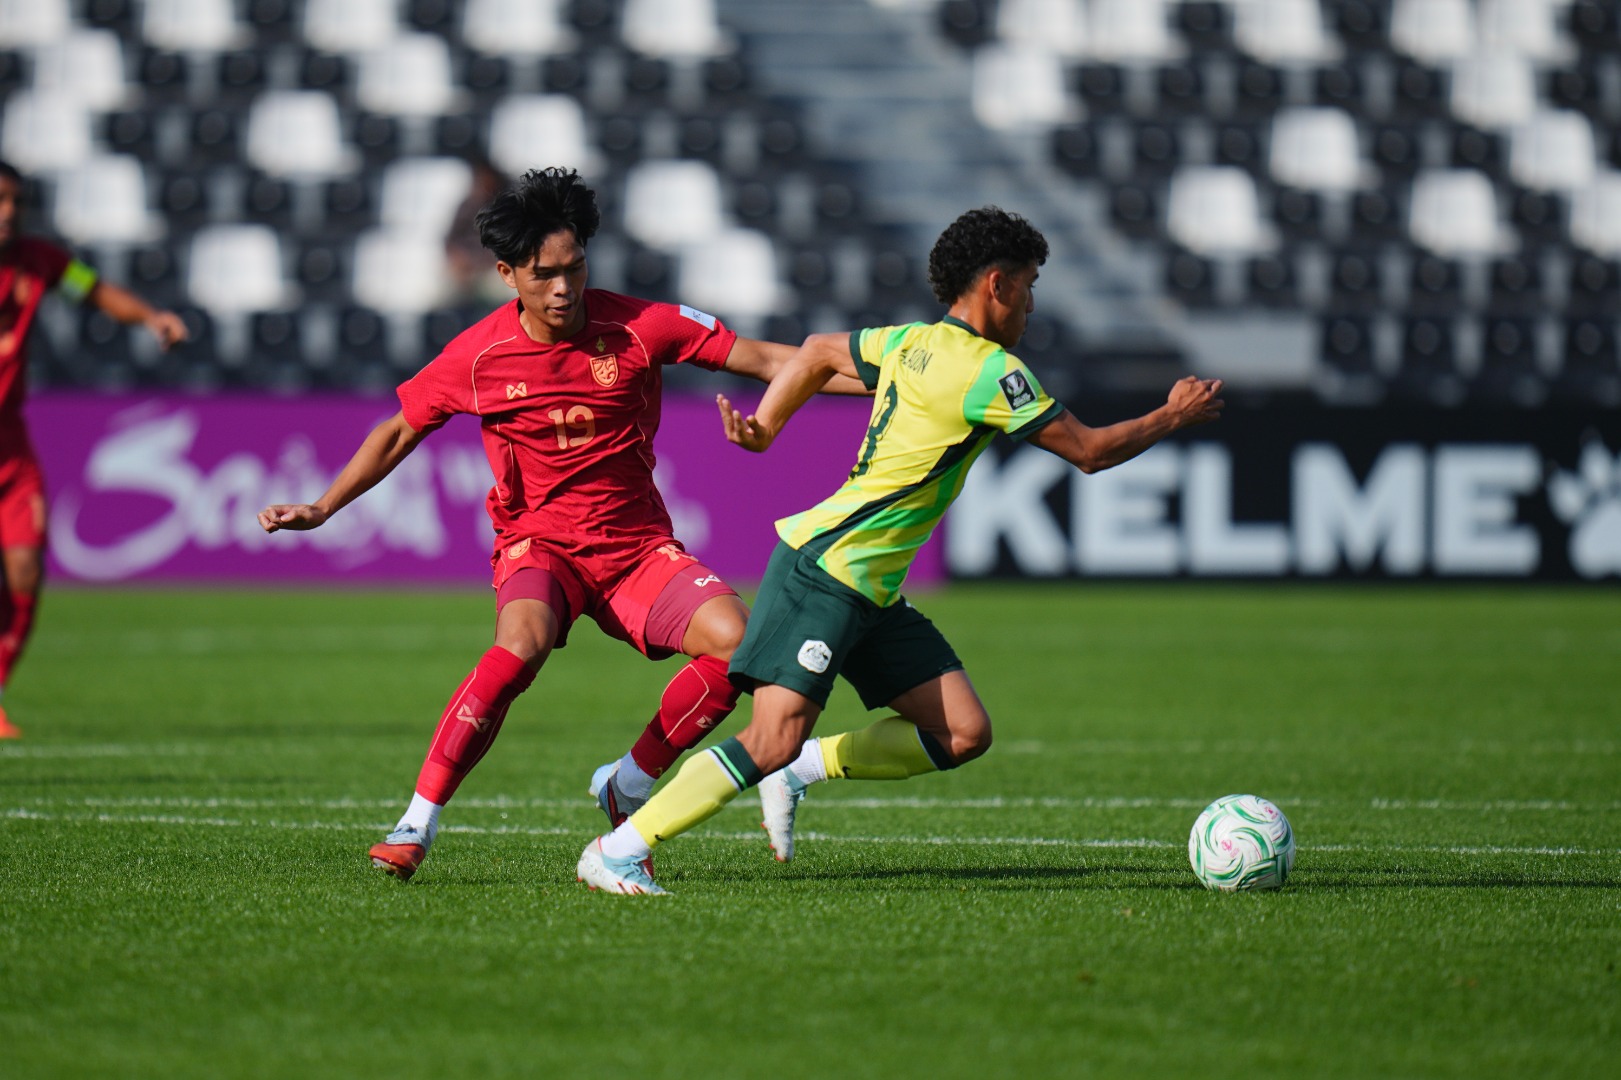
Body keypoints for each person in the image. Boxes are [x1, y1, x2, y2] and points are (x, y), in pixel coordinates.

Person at [576, 206, 1225, 894]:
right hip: (826, 572)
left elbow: (818, 350)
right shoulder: (990, 372)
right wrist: (1171, 415)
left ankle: (803, 769)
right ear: (997, 285)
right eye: (1029, 286)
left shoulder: (911, 341)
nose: (1031, 305)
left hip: (869, 588)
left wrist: (766, 426)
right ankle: (619, 850)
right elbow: (1089, 452)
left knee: (962, 733)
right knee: (769, 737)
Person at [257, 167, 865, 881]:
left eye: (573, 268)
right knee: (520, 646)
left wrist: (899, 380)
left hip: (636, 550)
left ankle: (629, 782)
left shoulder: (642, 325)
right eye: (543, 274)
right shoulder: (479, 355)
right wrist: (324, 506)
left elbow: (772, 361)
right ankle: (416, 822)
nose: (562, 287)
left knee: (739, 646)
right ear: (507, 274)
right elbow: (399, 430)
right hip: (539, 546)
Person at [0, 161, 189, 739]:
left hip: (11, 446)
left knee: (25, 568)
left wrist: (150, 316)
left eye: (15, 202)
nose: (8, 212)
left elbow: (96, 290)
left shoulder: (43, 260)